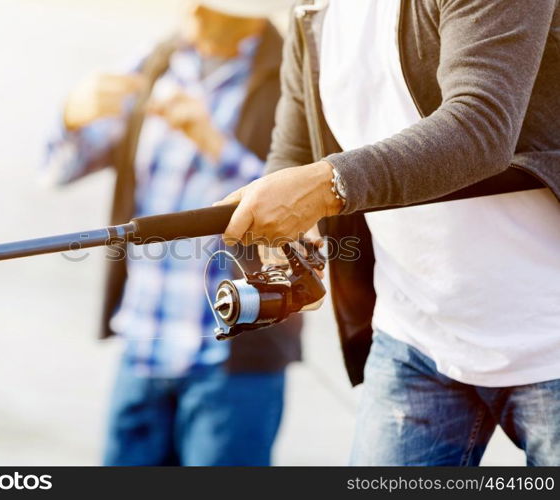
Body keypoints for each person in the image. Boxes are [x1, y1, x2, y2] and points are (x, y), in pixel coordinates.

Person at [218, 0, 560, 465]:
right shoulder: (314, 8)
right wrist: (286, 235)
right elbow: (295, 149)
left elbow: (480, 126)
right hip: (414, 336)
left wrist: (326, 186)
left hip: (549, 337)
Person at [42, 1, 299, 466]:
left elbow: (305, 211)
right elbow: (56, 171)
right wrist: (71, 117)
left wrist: (212, 142)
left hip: (234, 363)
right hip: (143, 344)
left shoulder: (293, 77)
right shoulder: (155, 60)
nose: (194, 13)